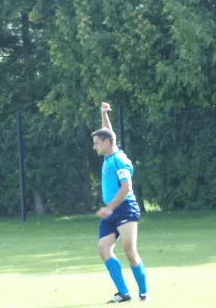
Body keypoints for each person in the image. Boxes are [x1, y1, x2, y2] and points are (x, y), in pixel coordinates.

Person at [92, 102, 148, 303]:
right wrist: (104, 114)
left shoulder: (119, 160)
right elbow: (110, 133)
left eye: (97, 142)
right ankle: (123, 292)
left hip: (124, 208)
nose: (94, 146)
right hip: (112, 211)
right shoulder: (109, 152)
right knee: (103, 248)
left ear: (106, 143)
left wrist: (109, 207)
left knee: (129, 251)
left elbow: (126, 188)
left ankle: (143, 293)